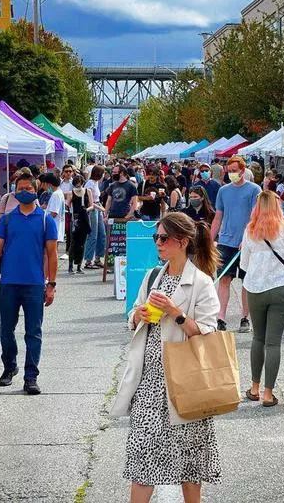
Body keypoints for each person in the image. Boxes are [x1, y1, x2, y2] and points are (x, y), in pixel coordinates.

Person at [111, 212, 222, 502]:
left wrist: (176, 313)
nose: (158, 243)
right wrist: (138, 315)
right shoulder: (151, 277)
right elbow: (132, 317)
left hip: (186, 379)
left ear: (183, 242)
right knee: (142, 455)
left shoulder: (201, 282)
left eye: (164, 238)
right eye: (156, 237)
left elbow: (208, 332)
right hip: (149, 380)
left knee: (190, 460)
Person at [0, 173, 59, 395]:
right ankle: (10, 367)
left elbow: (52, 253)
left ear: (36, 191)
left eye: (29, 188)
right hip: (9, 283)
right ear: (14, 191)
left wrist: (51, 284)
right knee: (6, 330)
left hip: (34, 285)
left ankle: (31, 377)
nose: (25, 191)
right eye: (21, 188)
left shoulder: (46, 220)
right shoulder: (7, 220)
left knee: (33, 332)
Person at [240, 191, 284, 407]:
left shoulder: (250, 231)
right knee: (273, 342)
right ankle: (268, 393)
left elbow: (243, 265)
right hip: (282, 288)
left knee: (258, 338)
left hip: (255, 289)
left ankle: (254, 388)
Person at [210, 155, 261, 333]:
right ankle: (221, 317)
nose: (231, 174)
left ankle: (245, 317)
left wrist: (247, 238)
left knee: (246, 282)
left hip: (246, 243)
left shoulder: (255, 190)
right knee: (224, 279)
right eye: (229, 171)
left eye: (234, 171)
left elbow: (255, 217)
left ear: (242, 171)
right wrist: (210, 239)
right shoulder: (223, 191)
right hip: (225, 241)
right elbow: (218, 216)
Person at [68, 175, 93, 274]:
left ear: (83, 183)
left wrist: (87, 210)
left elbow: (91, 205)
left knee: (82, 243)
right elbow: (68, 204)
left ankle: (79, 266)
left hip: (85, 218)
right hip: (75, 218)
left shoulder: (88, 191)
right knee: (73, 243)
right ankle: (70, 266)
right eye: (76, 184)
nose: (78, 186)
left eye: (80, 183)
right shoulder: (71, 193)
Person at [83, 165, 106, 270]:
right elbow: (90, 202)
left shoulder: (96, 183)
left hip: (98, 207)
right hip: (92, 209)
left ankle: (98, 258)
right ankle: (88, 260)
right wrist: (102, 209)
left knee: (102, 234)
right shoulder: (90, 184)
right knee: (93, 235)